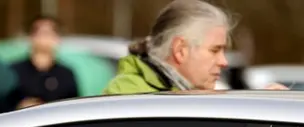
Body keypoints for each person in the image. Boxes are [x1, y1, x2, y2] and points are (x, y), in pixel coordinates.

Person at [102, 0, 288, 95]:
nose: (224, 62)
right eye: (215, 50)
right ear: (180, 49)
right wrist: (254, 119)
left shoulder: (184, 93)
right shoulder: (128, 93)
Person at [7, 15, 79, 110]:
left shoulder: (66, 74)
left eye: (49, 33)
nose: (44, 38)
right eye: (40, 33)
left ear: (57, 38)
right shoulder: (14, 71)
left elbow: (74, 108)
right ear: (31, 37)